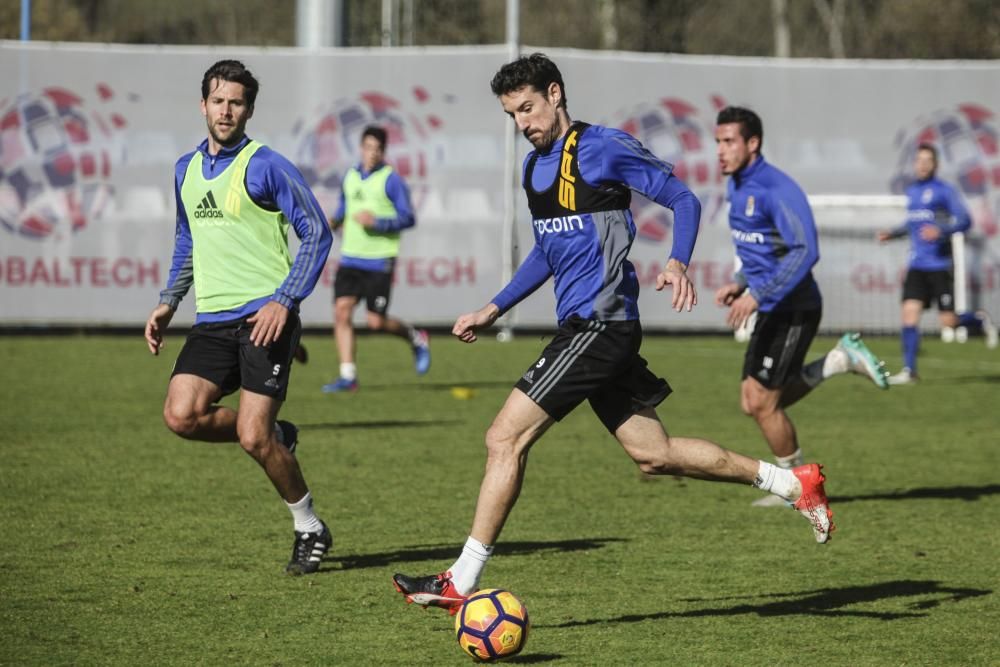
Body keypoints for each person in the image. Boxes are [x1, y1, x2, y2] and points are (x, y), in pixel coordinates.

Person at [391, 54, 835, 615]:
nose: (523, 123)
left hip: (600, 327)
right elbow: (548, 251)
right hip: (592, 330)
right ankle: (795, 484)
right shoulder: (533, 170)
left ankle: (460, 578)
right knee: (656, 455)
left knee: (503, 439)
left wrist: (677, 261)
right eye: (512, 115)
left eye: (528, 108)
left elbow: (683, 198)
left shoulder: (602, 147)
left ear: (555, 94)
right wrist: (494, 306)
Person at [144, 60, 333, 575]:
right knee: (181, 416)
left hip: (264, 317)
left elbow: (316, 232)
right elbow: (187, 240)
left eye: (237, 103)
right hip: (212, 320)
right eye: (219, 100)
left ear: (249, 109)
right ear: (202, 104)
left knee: (253, 437)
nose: (227, 110)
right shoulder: (185, 169)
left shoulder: (265, 164)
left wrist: (285, 299)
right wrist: (168, 301)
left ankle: (309, 526)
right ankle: (278, 433)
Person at [713, 106, 890, 508]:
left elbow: (805, 251)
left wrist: (756, 295)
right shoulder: (737, 184)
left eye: (728, 142)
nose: (720, 151)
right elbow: (764, 251)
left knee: (762, 402)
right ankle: (839, 362)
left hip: (794, 307)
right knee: (752, 401)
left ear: (752, 143)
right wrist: (741, 284)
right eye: (717, 142)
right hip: (773, 305)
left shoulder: (778, 189)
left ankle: (798, 487)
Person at [321, 125, 430, 392]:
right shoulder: (350, 176)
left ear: (384, 151)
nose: (372, 153)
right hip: (350, 258)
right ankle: (348, 376)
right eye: (368, 147)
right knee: (341, 312)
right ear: (361, 148)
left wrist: (377, 222)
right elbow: (344, 208)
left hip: (379, 260)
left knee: (375, 322)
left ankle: (416, 337)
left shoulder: (391, 180)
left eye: (377, 149)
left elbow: (409, 217)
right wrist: (335, 221)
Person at [877, 143, 996, 384]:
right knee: (909, 314)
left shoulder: (943, 191)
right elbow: (913, 224)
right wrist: (894, 233)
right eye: (919, 160)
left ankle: (980, 320)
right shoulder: (912, 192)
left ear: (935, 164)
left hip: (939, 266)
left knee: (948, 322)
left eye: (927, 160)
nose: (922, 165)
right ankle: (910, 372)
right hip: (917, 265)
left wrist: (941, 230)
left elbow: (965, 220)